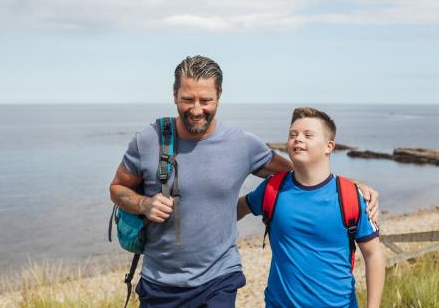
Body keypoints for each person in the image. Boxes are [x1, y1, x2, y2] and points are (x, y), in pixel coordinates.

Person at [109, 56, 380, 308]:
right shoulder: (149, 138)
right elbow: (117, 189)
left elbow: (300, 173)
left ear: (219, 97)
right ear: (174, 96)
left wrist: (347, 185)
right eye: (187, 99)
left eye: (206, 100)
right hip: (160, 280)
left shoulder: (242, 144)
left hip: (220, 277)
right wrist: (144, 203)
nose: (196, 109)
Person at [237, 107, 385, 308]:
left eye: (308, 135)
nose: (298, 139)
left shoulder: (352, 196)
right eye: (293, 134)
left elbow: (373, 254)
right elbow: (237, 209)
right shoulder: (272, 188)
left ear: (329, 146)